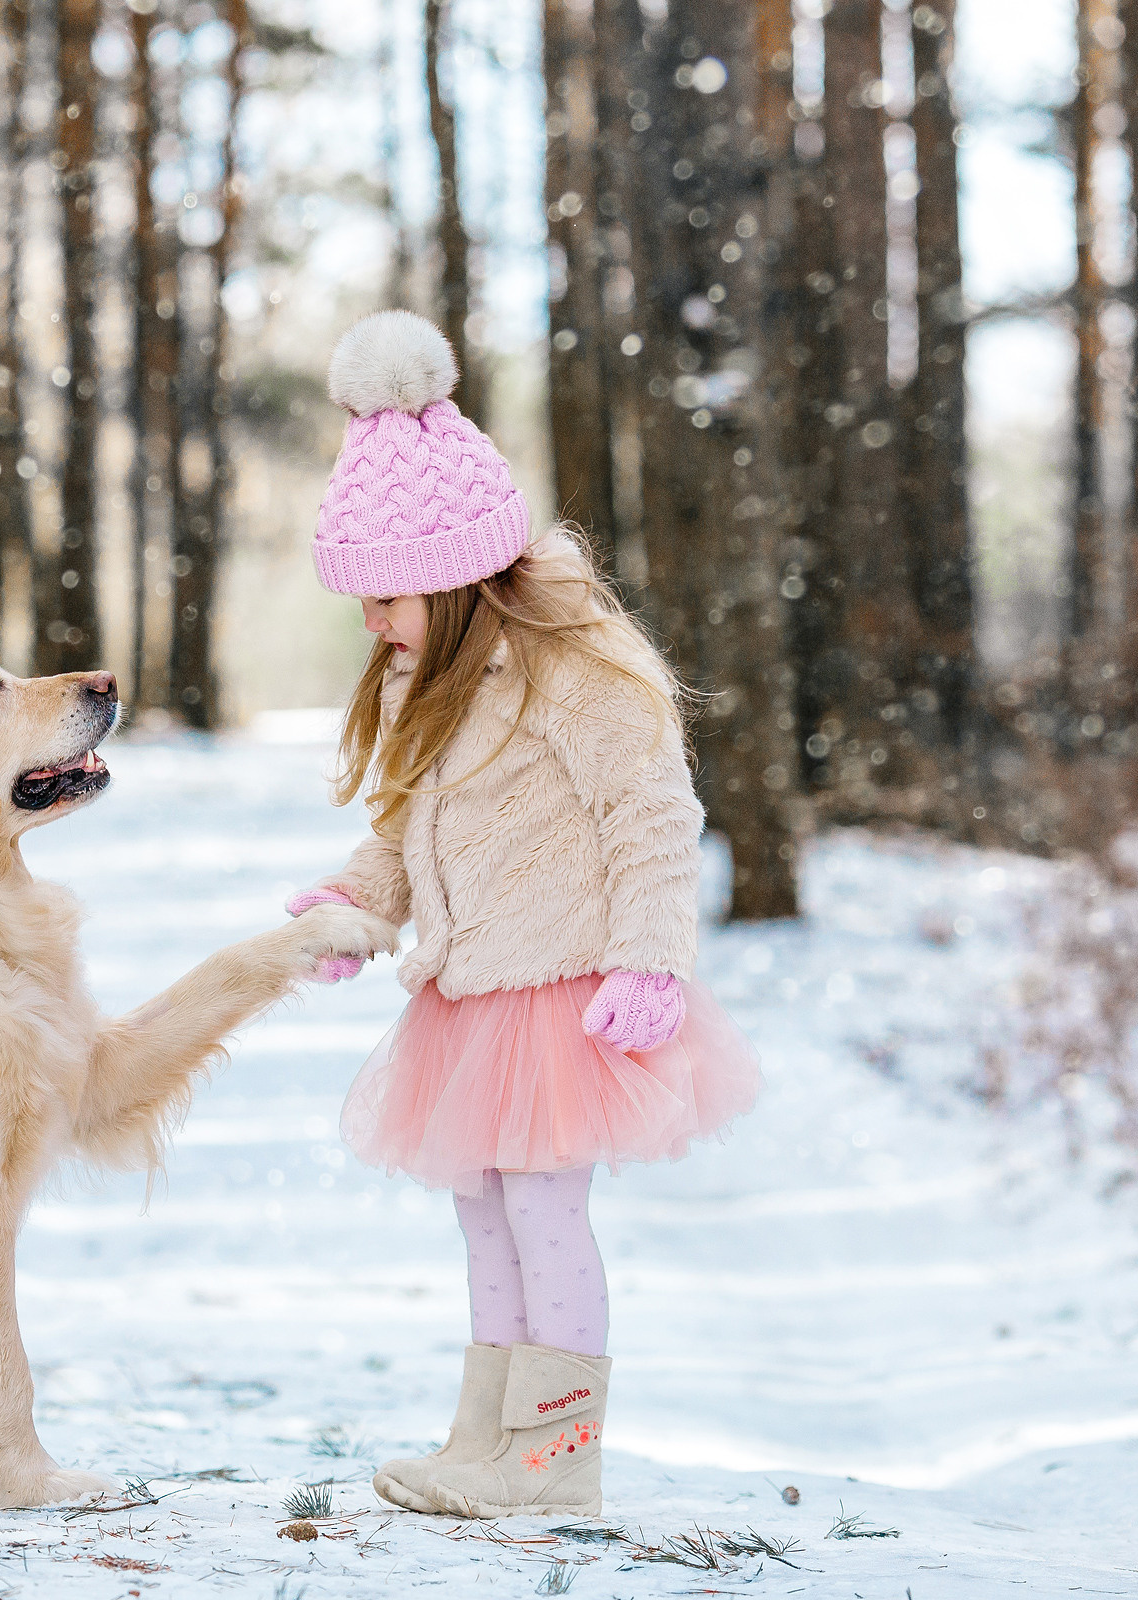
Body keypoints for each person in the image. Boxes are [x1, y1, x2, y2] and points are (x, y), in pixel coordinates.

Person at [287, 309, 760, 1519]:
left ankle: (557, 1468)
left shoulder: (572, 662)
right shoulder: (427, 679)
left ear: (451, 581)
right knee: (483, 1214)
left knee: (546, 1213)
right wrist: (355, 902)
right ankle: (488, 1445)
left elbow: (652, 815)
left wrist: (653, 959)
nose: (372, 623)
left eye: (387, 597)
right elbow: (406, 827)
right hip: (467, 989)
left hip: (561, 988)